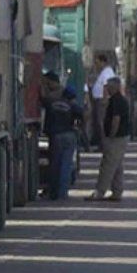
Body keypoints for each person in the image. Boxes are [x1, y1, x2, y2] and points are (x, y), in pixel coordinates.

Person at [41, 73, 84, 201]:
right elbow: (81, 116)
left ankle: (53, 192)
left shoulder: (52, 103)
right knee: (66, 165)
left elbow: (43, 100)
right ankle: (62, 193)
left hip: (56, 136)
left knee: (55, 165)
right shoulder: (72, 106)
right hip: (69, 135)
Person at [87, 76, 130, 202]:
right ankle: (117, 191)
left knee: (107, 165)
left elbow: (116, 119)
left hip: (116, 138)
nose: (107, 89)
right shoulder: (117, 99)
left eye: (109, 87)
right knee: (117, 166)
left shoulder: (117, 100)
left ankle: (99, 192)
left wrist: (111, 135)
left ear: (116, 87)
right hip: (122, 137)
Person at [90, 53, 116, 147]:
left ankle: (104, 144)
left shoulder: (106, 72)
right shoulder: (103, 72)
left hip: (102, 101)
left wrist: (105, 100)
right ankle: (101, 143)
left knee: (101, 123)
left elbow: (106, 86)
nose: (96, 65)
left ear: (103, 62)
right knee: (98, 122)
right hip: (99, 100)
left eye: (97, 63)